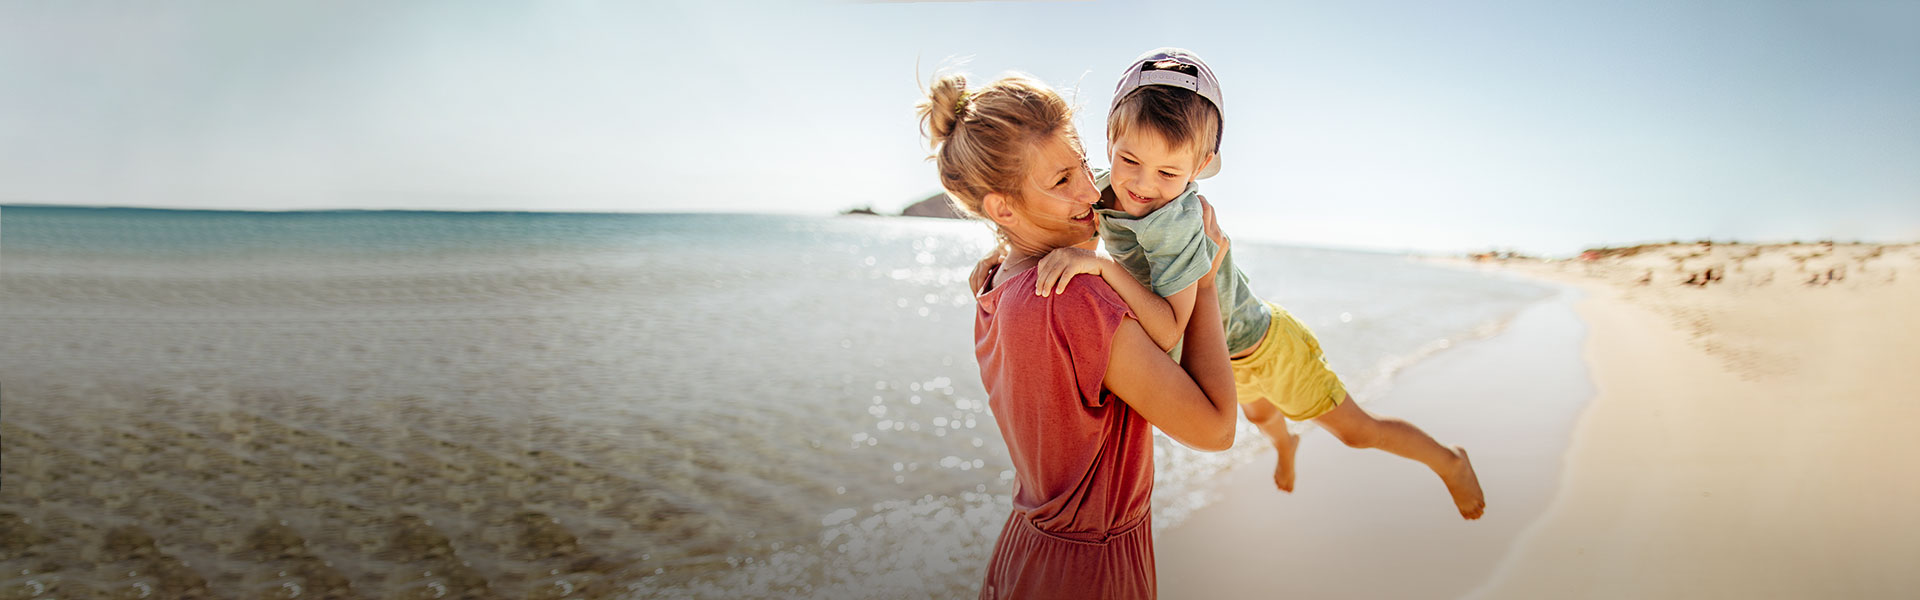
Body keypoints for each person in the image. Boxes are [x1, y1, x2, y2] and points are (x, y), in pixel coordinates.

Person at [1021, 48, 1486, 520]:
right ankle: (1287, 446)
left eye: (1168, 173)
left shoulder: (1177, 222)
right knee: (1263, 417)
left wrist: (1103, 267)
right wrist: (1006, 255)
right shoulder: (1102, 191)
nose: (1142, 185)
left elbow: (1167, 331)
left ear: (1200, 166)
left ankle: (1449, 462)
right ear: (1110, 140)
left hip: (1263, 347)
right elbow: (1059, 223)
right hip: (1220, 360)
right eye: (1129, 160)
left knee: (1356, 432)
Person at [918, 70, 1240, 599]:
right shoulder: (1074, 298)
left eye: (1083, 166)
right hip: (1089, 573)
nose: (1094, 191)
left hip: (1026, 549)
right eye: (1063, 181)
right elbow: (1216, 430)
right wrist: (1202, 280)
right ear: (1002, 208)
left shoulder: (996, 284)